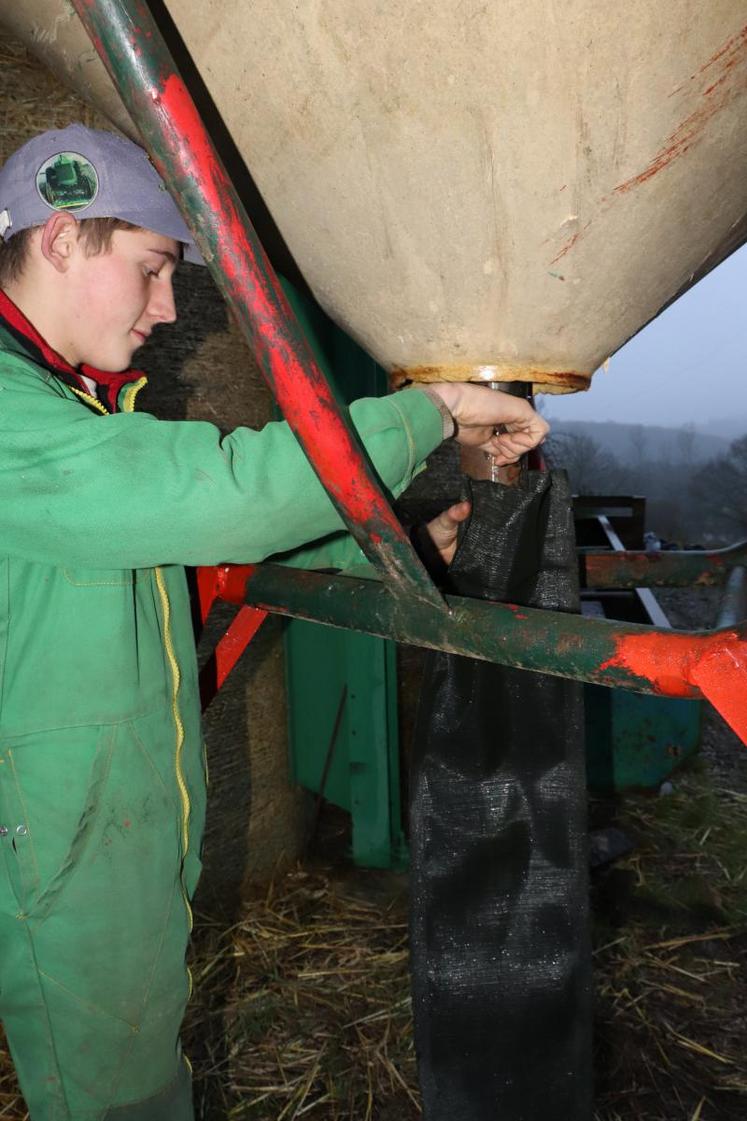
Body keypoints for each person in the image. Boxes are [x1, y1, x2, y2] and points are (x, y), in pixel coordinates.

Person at [0, 124, 549, 1120]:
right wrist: (428, 413)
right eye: (154, 269)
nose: (168, 311)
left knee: (129, 1063)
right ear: (63, 236)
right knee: (114, 1095)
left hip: (96, 821)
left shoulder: (68, 416)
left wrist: (402, 549)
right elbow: (225, 495)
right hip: (55, 842)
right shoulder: (10, 413)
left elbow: (196, 553)